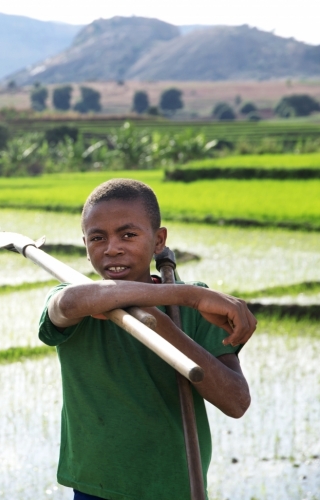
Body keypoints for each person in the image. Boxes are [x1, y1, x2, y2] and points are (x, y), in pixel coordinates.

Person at [39, 179, 256, 500]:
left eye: (128, 234)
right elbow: (71, 303)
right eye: (98, 238)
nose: (112, 248)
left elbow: (236, 402)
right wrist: (189, 295)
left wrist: (165, 325)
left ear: (159, 241)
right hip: (95, 489)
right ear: (85, 247)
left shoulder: (192, 313)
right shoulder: (75, 299)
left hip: (175, 488)